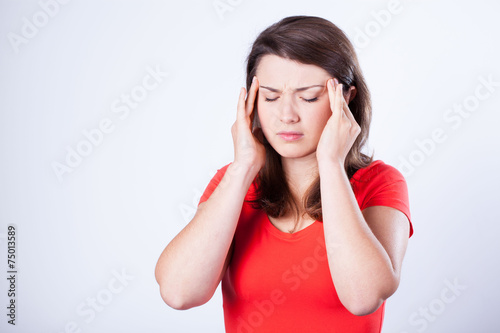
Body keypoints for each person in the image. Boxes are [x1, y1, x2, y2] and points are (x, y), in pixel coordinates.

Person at [155, 15, 413, 333]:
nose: (286, 115)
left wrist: (331, 164)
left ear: (345, 98)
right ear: (250, 101)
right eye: (271, 97)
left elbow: (363, 297)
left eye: (308, 97)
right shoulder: (233, 183)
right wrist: (244, 166)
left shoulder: (379, 182)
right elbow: (179, 293)